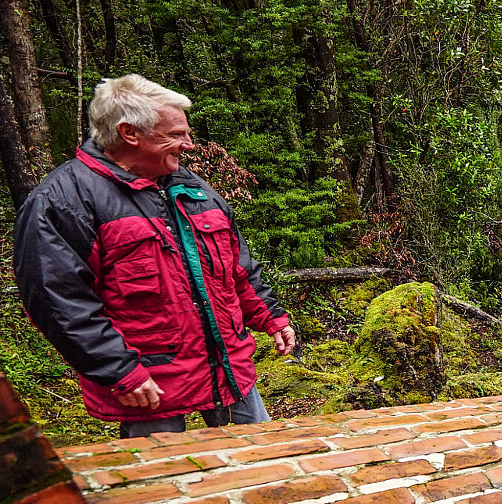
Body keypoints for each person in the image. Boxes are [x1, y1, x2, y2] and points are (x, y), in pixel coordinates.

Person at [13, 75, 295, 438]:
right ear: (130, 133)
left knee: (265, 469)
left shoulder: (193, 189)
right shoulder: (63, 201)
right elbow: (58, 302)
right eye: (176, 134)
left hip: (228, 369)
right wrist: (117, 370)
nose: (189, 144)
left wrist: (271, 316)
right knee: (162, 484)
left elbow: (238, 266)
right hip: (147, 385)